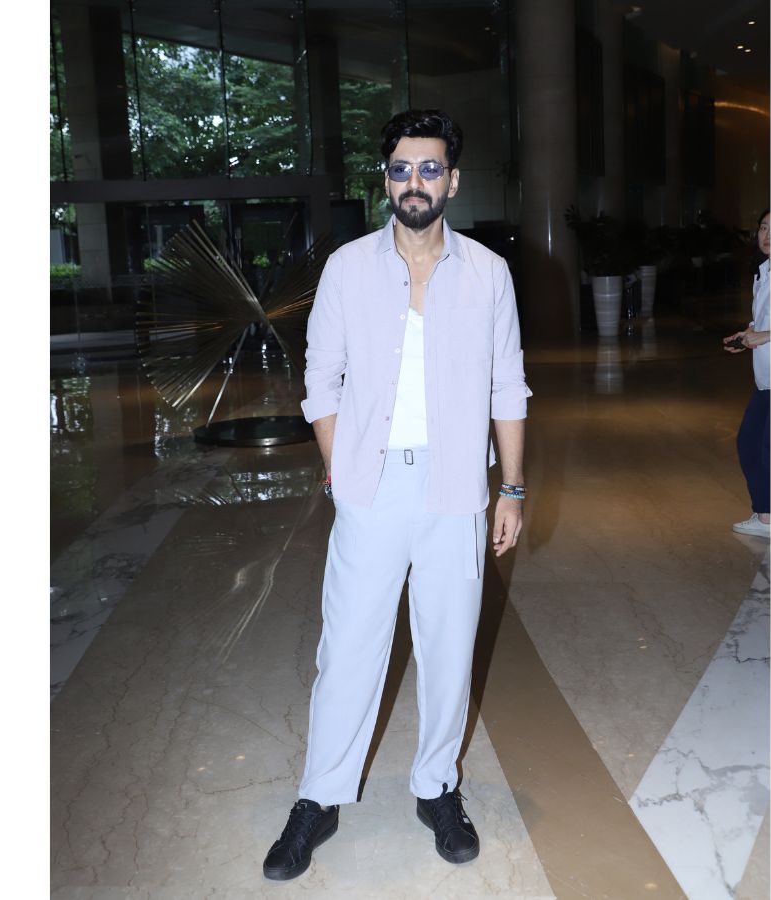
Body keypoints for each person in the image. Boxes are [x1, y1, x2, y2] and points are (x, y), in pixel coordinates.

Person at [262, 109, 532, 881]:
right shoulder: (348, 268)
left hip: (456, 486)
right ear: (386, 179)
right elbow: (320, 380)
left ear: (453, 180)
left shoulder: (488, 273)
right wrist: (339, 472)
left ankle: (436, 787)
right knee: (347, 646)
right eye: (401, 169)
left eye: (429, 168)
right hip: (370, 486)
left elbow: (507, 385)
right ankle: (319, 796)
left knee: (449, 646)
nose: (415, 182)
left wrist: (511, 488)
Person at [722, 209, 771, 538]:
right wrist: (748, 334)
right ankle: (767, 517)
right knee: (750, 443)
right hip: (766, 378)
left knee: (766, 449)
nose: (768, 235)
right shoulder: (764, 272)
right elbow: (764, 319)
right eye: (764, 227)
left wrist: (764, 336)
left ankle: (770, 518)